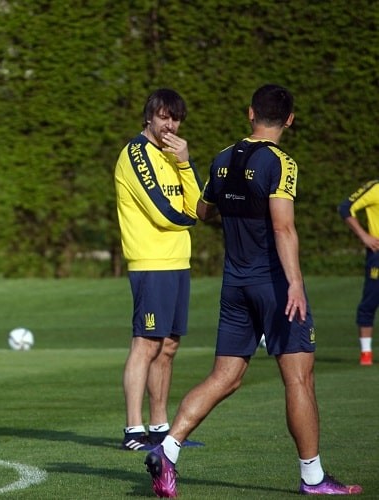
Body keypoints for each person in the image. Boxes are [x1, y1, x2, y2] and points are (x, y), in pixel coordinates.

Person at [145, 84, 362, 497]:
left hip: (235, 285)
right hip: (274, 286)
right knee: (299, 380)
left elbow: (204, 211)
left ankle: (168, 448)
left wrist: (196, 173)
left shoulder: (223, 158)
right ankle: (313, 478)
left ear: (250, 113)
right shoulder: (281, 163)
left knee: (225, 377)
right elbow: (283, 227)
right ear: (290, 120)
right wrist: (295, 284)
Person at [113, 88, 202, 451]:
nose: (170, 125)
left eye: (175, 119)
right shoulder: (135, 154)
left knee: (168, 346)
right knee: (146, 343)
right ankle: (133, 431)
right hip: (151, 262)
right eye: (164, 117)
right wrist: (193, 218)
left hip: (178, 260)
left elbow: (197, 202)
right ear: (148, 117)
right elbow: (165, 212)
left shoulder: (173, 156)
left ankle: (160, 429)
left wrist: (185, 164)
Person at [338, 180, 379, 366]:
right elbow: (345, 207)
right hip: (377, 256)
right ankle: (366, 353)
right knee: (370, 302)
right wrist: (364, 236)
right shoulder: (375, 187)